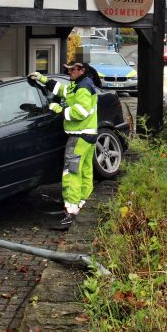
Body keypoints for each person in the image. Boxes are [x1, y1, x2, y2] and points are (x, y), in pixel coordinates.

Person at [28, 55, 100, 230]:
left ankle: (70, 211)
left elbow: (79, 112)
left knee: (71, 173)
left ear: (82, 70)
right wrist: (44, 80)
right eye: (68, 68)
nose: (69, 71)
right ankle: (83, 204)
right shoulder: (81, 85)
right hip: (89, 136)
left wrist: (59, 109)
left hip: (79, 136)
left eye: (72, 69)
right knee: (85, 171)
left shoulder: (83, 88)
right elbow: (63, 91)